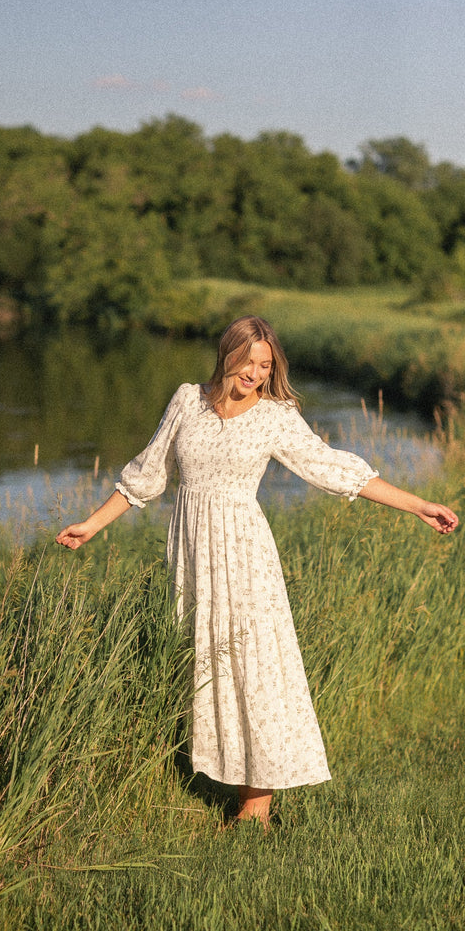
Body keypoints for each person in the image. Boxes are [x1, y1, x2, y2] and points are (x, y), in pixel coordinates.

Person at [56, 316, 458, 829]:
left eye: (266, 365)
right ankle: (215, 767)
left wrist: (419, 504)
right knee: (202, 662)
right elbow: (147, 474)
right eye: (249, 361)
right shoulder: (186, 400)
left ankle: (256, 804)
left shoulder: (276, 415)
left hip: (244, 555)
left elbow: (331, 468)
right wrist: (92, 524)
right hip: (192, 553)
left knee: (255, 665)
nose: (256, 373)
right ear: (228, 354)